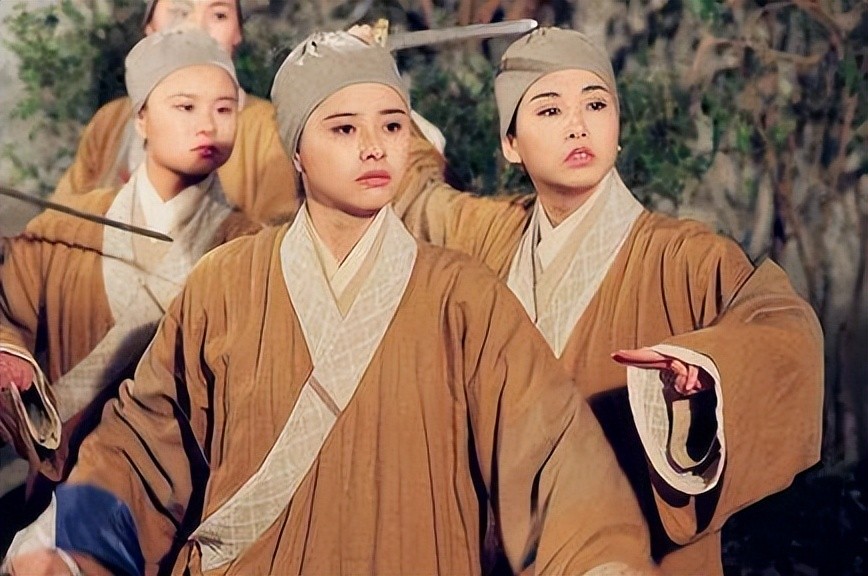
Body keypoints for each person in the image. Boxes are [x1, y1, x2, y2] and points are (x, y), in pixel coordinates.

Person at [2, 31, 657, 576]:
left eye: (392, 125)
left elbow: (552, 455)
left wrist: (599, 562)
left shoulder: (464, 297)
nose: (374, 146)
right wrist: (69, 548)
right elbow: (144, 449)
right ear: (296, 150)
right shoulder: (224, 283)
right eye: (343, 127)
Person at [389, 27, 824, 574]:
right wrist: (373, 79)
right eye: (550, 110)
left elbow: (784, 327)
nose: (578, 125)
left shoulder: (685, 257)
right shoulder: (490, 235)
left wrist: (712, 367)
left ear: (617, 129)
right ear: (511, 144)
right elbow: (421, 199)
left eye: (595, 104)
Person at [0, 25, 260, 554]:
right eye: (185, 107)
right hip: (54, 489)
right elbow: (8, 312)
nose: (208, 124)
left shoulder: (252, 248)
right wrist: (11, 355)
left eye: (224, 109)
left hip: (179, 504)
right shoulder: (66, 228)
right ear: (140, 117)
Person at [50, 0, 298, 224]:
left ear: (238, 33)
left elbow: (274, 241)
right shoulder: (111, 120)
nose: (196, 28)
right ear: (149, 28)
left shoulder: (270, 131)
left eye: (219, 15)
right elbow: (59, 222)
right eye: (180, 11)